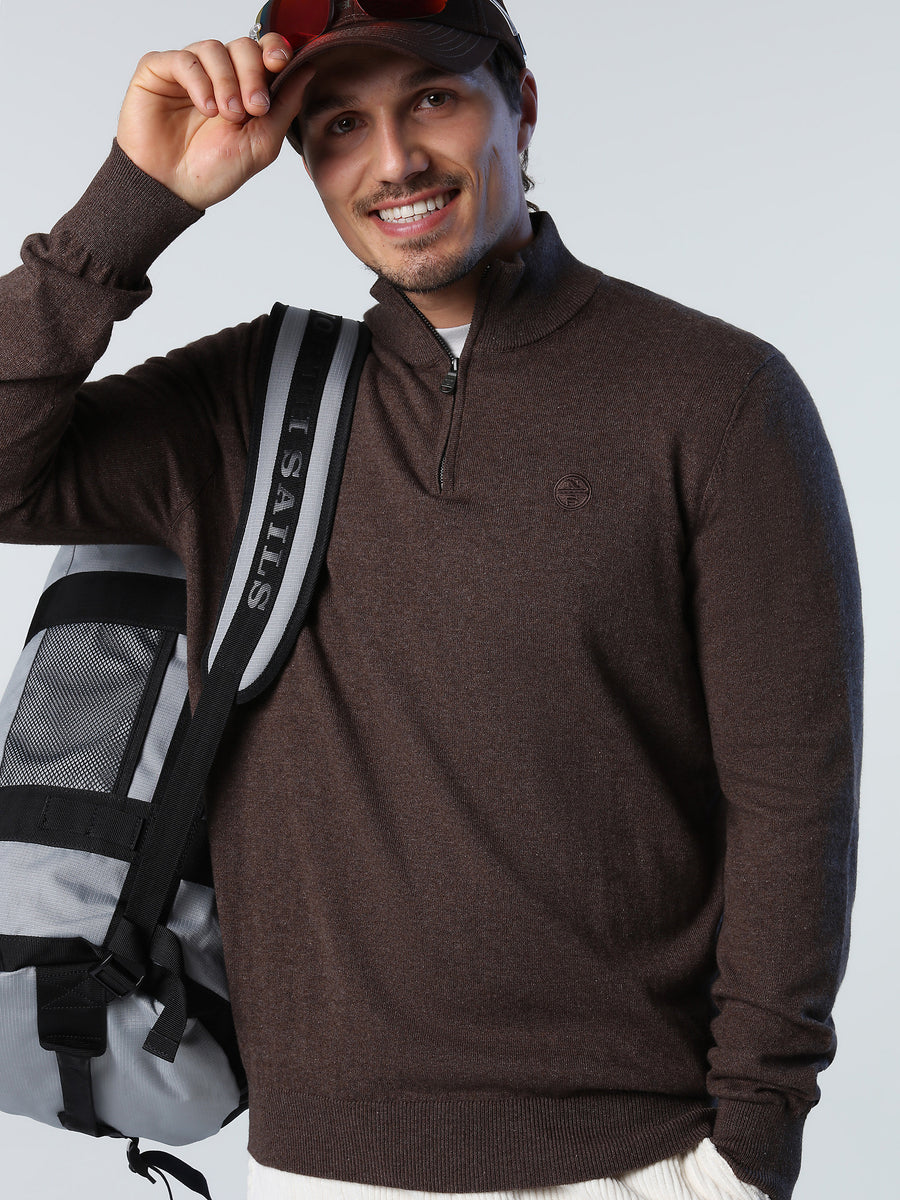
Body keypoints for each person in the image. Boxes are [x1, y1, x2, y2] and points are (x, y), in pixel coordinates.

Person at [0, 3, 863, 1200]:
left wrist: (752, 1143)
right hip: (320, 1167)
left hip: (636, 1162)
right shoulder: (250, 407)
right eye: (339, 124)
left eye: (434, 99)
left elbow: (792, 799)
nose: (395, 159)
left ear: (522, 105)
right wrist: (134, 202)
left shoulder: (718, 398)